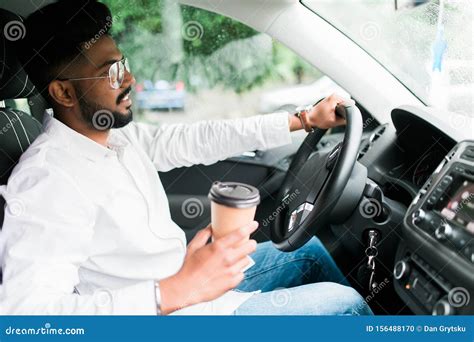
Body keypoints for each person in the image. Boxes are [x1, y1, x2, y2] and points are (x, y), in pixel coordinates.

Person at [0, 0, 371, 316]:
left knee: (309, 252)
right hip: (169, 314)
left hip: (190, 285)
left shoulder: (114, 135)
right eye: (110, 72)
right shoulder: (48, 179)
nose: (129, 78)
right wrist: (171, 291)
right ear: (63, 92)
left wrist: (302, 120)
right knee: (345, 303)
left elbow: (192, 139)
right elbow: (26, 315)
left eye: (123, 62)